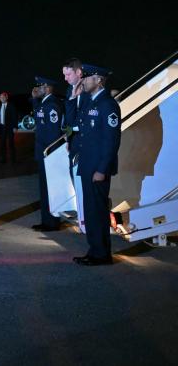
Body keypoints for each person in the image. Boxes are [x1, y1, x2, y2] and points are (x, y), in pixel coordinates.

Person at [73, 65, 121, 266]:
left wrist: (102, 170)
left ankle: (101, 254)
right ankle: (95, 250)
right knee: (90, 210)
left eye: (87, 77)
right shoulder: (89, 101)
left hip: (97, 169)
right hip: (87, 166)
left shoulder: (107, 105)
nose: (83, 81)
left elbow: (112, 141)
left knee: (98, 212)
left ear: (99, 80)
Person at [31, 77, 63, 232]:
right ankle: (47, 220)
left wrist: (50, 153)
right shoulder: (45, 103)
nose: (39, 89)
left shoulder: (52, 105)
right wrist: (34, 99)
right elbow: (38, 118)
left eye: (41, 86)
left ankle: (51, 222)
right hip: (44, 153)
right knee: (44, 189)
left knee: (50, 189)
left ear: (48, 88)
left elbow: (53, 133)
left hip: (48, 154)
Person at [62, 58, 90, 231]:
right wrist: (68, 136)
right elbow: (69, 118)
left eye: (68, 74)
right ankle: (82, 219)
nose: (65, 78)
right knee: (76, 180)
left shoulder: (89, 89)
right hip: (74, 142)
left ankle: (88, 222)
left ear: (79, 72)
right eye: (64, 75)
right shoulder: (70, 90)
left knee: (86, 184)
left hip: (86, 142)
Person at [0, 91, 18, 163]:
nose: (2, 98)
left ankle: (13, 160)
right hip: (1, 128)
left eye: (3, 97)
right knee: (2, 144)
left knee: (11, 144)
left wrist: (15, 127)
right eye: (0, 97)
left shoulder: (11, 106)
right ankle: (3, 159)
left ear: (6, 97)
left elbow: (14, 117)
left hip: (10, 128)